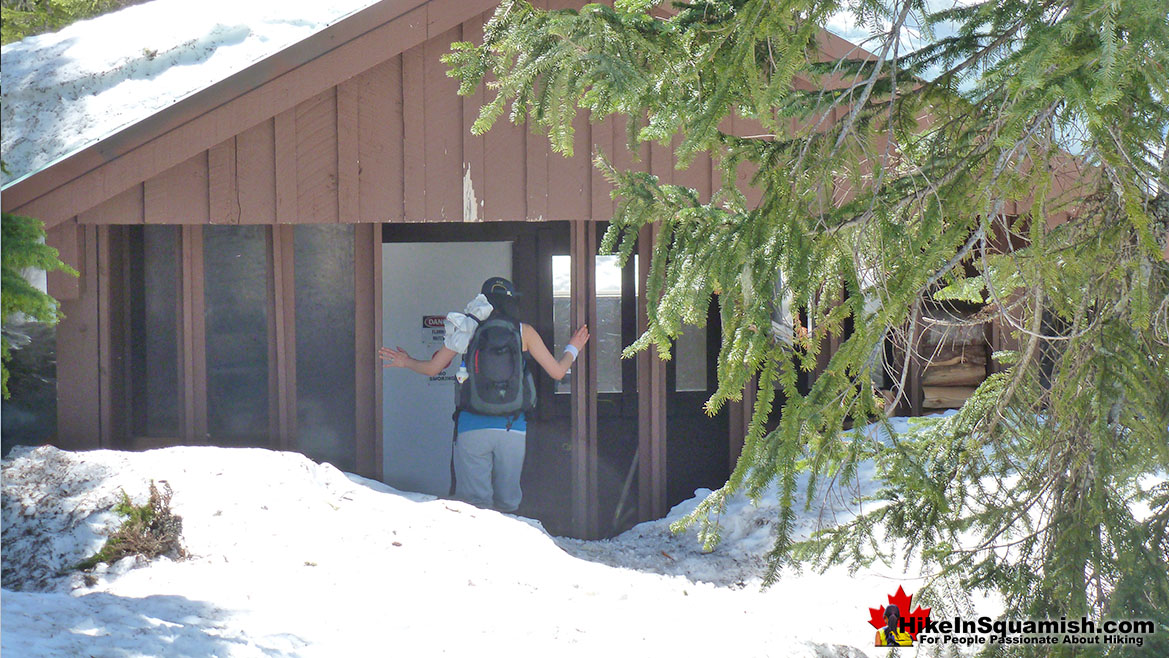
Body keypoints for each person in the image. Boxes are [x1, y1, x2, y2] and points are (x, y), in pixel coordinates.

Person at [378, 277, 589, 513]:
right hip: (512, 428)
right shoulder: (524, 332)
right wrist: (573, 347)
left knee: (476, 505)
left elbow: (433, 368)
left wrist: (405, 361)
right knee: (508, 502)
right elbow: (558, 372)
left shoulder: (466, 328)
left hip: (471, 426)